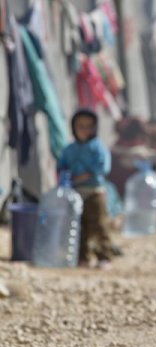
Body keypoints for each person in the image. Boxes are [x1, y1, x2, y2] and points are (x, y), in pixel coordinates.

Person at [57, 108, 113, 269]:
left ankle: (104, 256)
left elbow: (104, 166)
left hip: (94, 192)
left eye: (88, 126)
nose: (84, 130)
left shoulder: (97, 147)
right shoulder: (70, 149)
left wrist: (85, 175)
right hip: (75, 193)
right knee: (79, 226)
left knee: (100, 225)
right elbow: (62, 166)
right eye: (80, 126)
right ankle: (84, 256)